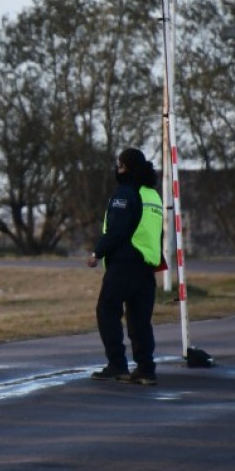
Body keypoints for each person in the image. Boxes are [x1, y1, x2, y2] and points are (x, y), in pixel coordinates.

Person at [88, 147, 164, 386]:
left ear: (127, 167)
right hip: (147, 267)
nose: (117, 169)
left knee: (107, 310)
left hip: (125, 264)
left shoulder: (125, 194)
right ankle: (145, 369)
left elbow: (117, 230)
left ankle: (117, 365)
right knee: (139, 320)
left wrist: (97, 252)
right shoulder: (153, 195)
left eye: (120, 165)